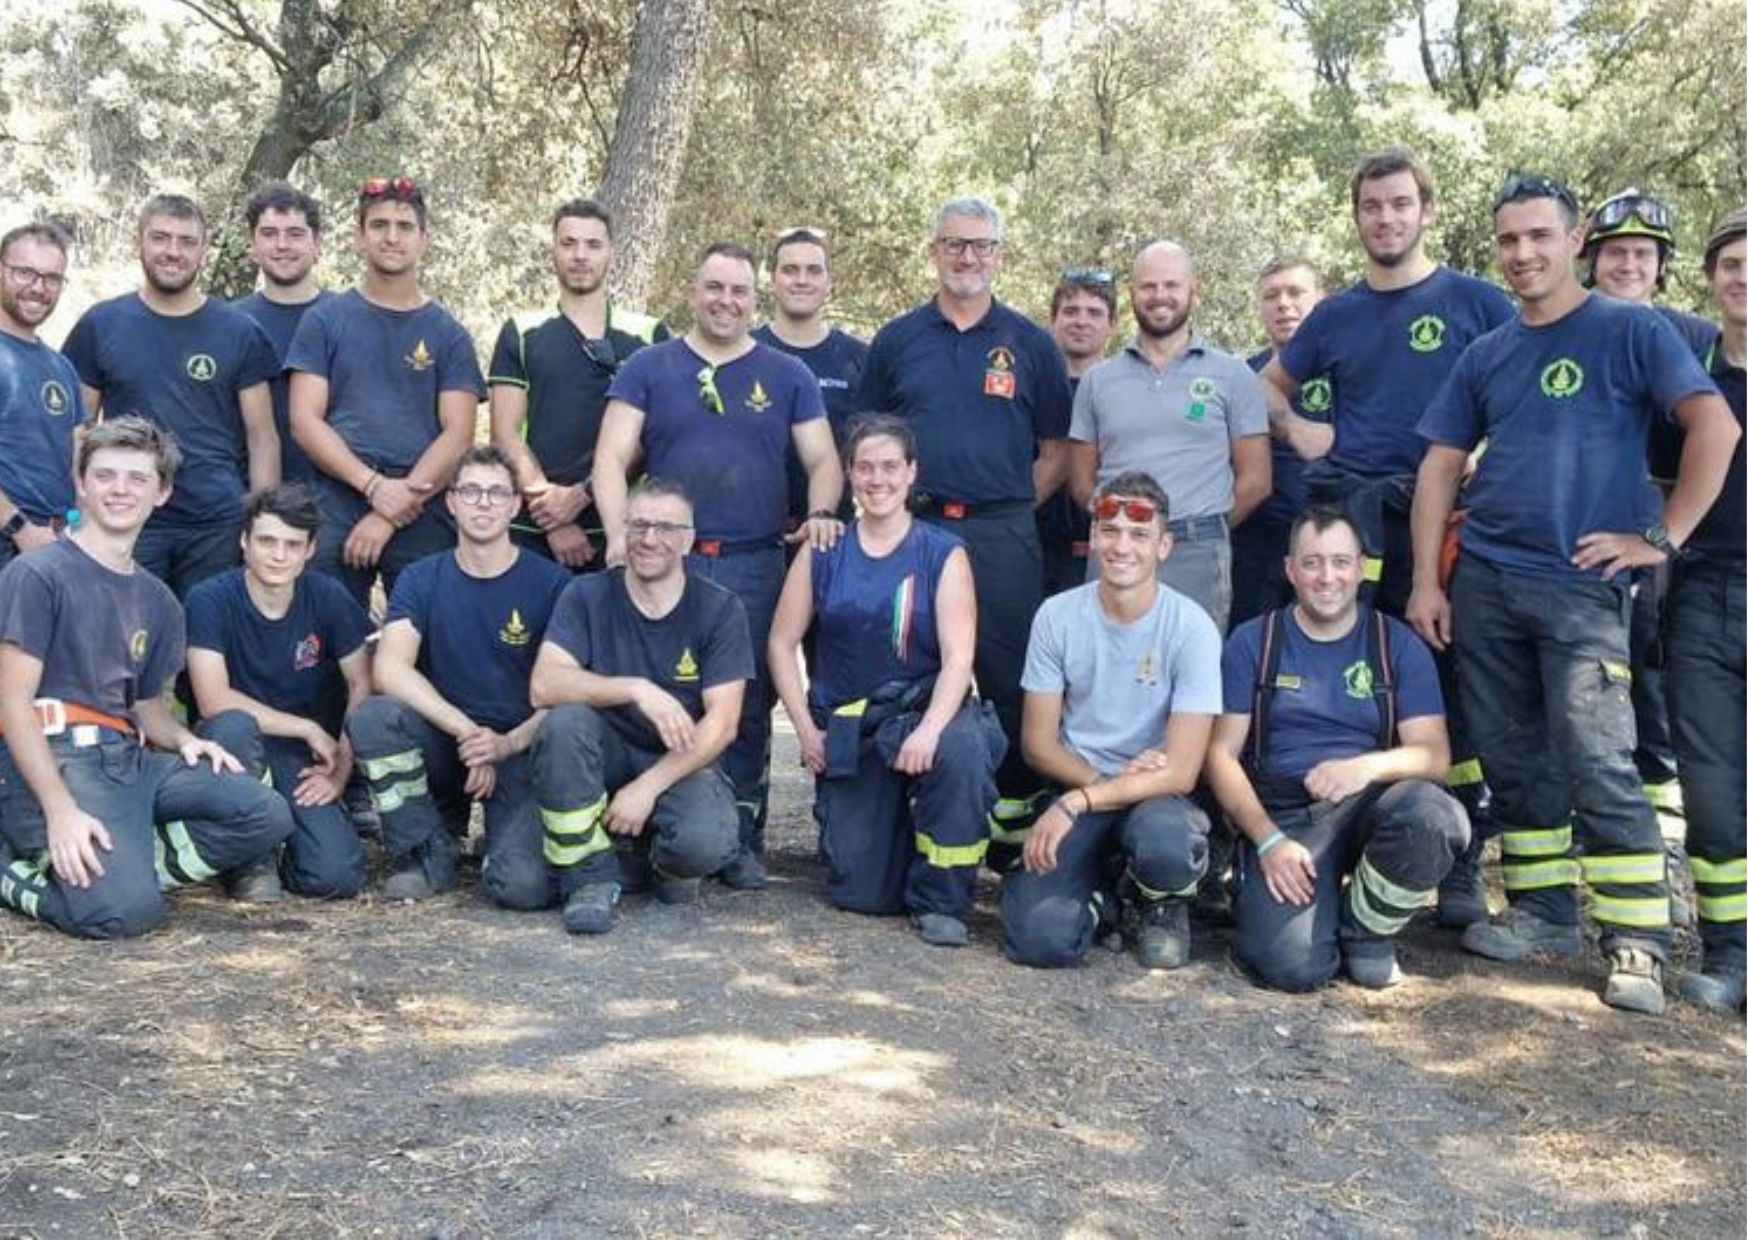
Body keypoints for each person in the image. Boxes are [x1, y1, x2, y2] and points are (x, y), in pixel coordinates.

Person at [1409, 173, 1739, 1015]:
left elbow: (1716, 426)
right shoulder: (1487, 353)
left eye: (1539, 237)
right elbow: (1441, 465)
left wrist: (1660, 537)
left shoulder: (1629, 330)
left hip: (1585, 586)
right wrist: (1425, 581)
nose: (1523, 254)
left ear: (1571, 241)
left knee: (1599, 754)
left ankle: (1638, 939)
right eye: (1509, 240)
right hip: (1484, 579)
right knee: (1514, 755)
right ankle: (1545, 914)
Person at [1259, 147, 1515, 925]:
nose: (1386, 218)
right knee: (1350, 666)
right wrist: (1303, 433)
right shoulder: (1334, 315)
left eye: (1400, 204)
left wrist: (1487, 457)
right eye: (1372, 206)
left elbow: (1523, 389)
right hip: (1357, 520)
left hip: (1447, 528)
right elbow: (1271, 384)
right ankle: (1335, 838)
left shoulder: (1480, 304)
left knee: (1455, 685)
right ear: (1357, 216)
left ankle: (1460, 860)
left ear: (1427, 210)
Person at [593, 241, 843, 890]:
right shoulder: (649, 366)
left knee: (746, 704)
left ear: (754, 302)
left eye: (738, 291)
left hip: (752, 563)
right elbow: (610, 458)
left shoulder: (788, 375)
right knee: (648, 690)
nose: (725, 301)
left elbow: (823, 461)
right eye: (714, 287)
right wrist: (621, 532)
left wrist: (819, 514)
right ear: (692, 290)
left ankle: (739, 839)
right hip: (660, 559)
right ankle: (641, 826)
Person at [0, 417, 293, 939]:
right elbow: (11, 703)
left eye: (137, 479)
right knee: (122, 915)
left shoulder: (158, 600)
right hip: (58, 759)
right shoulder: (38, 574)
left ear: (162, 493)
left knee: (265, 813)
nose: (120, 490)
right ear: (81, 485)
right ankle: (19, 865)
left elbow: (146, 707)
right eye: (106, 475)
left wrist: (184, 741)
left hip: (129, 761)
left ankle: (122, 862)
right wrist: (61, 810)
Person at [857, 197, 1074, 851]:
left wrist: (1005, 506)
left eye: (982, 246)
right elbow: (865, 434)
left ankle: (1011, 834)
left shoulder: (1030, 344)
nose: (968, 257)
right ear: (934, 251)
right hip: (913, 534)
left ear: (999, 255)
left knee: (1010, 680)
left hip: (1003, 534)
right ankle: (890, 824)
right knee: (901, 674)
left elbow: (1058, 450)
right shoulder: (897, 340)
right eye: (955, 244)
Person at [1208, 506, 1469, 991]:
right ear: (1290, 571)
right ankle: (1269, 893)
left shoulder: (1396, 646)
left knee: (1435, 816)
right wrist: (1267, 841)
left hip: (1371, 807)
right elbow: (1220, 756)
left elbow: (1434, 755)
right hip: (1289, 817)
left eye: (1340, 562)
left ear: (1359, 569)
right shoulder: (1253, 643)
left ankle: (1366, 931)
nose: (1327, 577)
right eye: (1312, 563)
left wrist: (1364, 768)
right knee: (1292, 969)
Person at [770, 415, 1002, 946]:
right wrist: (807, 731)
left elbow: (958, 657)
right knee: (864, 896)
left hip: (924, 713)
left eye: (890, 467)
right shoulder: (823, 550)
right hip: (854, 729)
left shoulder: (942, 552)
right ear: (849, 475)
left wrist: (930, 731)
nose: (878, 480)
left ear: (911, 472)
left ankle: (944, 899)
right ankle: (890, 847)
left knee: (960, 750)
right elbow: (781, 644)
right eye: (866, 468)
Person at [1001, 470, 1221, 970]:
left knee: (1166, 839)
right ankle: (1106, 897)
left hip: (1158, 795)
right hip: (1089, 783)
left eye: (1140, 534)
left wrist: (1083, 798)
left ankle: (1162, 906)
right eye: (1111, 531)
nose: (1123, 546)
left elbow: (1183, 771)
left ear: (1163, 545)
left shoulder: (1192, 628)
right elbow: (1039, 744)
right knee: (1039, 942)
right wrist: (1100, 789)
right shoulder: (1056, 616)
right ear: (1094, 537)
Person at [346, 447, 571, 904]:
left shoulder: (553, 585)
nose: (483, 503)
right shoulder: (420, 577)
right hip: (448, 745)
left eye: (496, 493)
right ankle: (425, 850)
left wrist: (504, 744)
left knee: (521, 888)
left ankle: (504, 847)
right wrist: (467, 733)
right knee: (374, 717)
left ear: (515, 505)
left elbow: (570, 694)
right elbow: (389, 667)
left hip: (521, 748)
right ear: (450, 502)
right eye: (471, 491)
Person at [527, 478, 748, 934]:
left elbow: (723, 725)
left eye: (666, 528)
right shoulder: (585, 595)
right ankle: (588, 877)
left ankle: (660, 864)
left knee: (703, 843)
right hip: (599, 758)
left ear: (688, 539)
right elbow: (544, 685)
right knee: (564, 723)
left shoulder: (720, 609)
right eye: (640, 525)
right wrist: (635, 688)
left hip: (678, 766)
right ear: (623, 529)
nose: (650, 539)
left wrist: (646, 788)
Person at [1583, 188, 1717, 842]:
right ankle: (1596, 814)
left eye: (1642, 253)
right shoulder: (1570, 334)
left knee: (1652, 665)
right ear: (1592, 260)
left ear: (1661, 264)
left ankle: (1660, 815)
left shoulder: (1696, 339)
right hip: (1579, 531)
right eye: (1616, 253)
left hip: (1663, 536)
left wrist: (1667, 535)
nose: (1629, 264)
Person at [63, 193, 281, 597]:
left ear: (202, 250)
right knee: (122, 643)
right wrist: (79, 511)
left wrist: (261, 518)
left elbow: (262, 437)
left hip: (216, 522)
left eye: (186, 241)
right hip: (126, 517)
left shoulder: (238, 331)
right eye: (161, 238)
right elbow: (78, 427)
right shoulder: (101, 324)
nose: (173, 252)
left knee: (202, 645)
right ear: (139, 243)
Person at [288, 177, 487, 610]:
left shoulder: (448, 334)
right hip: (338, 496)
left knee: (430, 636)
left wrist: (393, 506)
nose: (391, 237)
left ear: (424, 240)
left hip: (424, 502)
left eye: (404, 226)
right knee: (325, 638)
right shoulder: (324, 321)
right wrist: (373, 487)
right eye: (379, 225)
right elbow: (304, 421)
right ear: (359, 236)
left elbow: (459, 434)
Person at [1068, 239, 1270, 632]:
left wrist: (1202, 524)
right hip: (1116, 547)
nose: (1160, 296)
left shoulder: (1233, 375)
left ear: (1194, 292)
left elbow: (1257, 479)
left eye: (1172, 285)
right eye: (1148, 286)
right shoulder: (1098, 381)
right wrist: (1126, 526)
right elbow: (1080, 481)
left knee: (1191, 673)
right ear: (1132, 294)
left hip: (1197, 549)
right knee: (1105, 666)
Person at [185, 484, 373, 900]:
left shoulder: (328, 597)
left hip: (296, 757)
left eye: (292, 544)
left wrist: (340, 769)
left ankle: (294, 842)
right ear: (244, 541)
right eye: (267, 541)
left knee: (335, 876)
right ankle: (250, 860)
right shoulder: (209, 599)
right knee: (230, 724)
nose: (278, 555)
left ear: (310, 550)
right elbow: (212, 699)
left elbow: (362, 684)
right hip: (231, 749)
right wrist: (306, 727)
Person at [1663, 207, 1746, 1011]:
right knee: (1713, 788)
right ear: (1712, 280)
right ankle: (1730, 953)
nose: (1743, 278)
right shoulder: (1686, 376)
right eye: (1730, 265)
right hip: (1704, 596)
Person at [488, 198, 669, 570]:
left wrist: (582, 496)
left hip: (624, 531)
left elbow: (656, 433)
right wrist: (552, 516)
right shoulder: (521, 331)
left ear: (611, 253)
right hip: (534, 532)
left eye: (593, 245)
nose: (580, 255)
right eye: (568, 243)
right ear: (553, 250)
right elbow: (505, 433)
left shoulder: (649, 335)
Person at [1230, 257, 1327, 627]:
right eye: (1272, 295)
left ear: (1322, 299)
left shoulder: (1345, 369)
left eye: (1295, 292)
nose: (1283, 303)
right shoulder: (1237, 376)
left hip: (1330, 546)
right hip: (1255, 549)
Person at [751, 227, 870, 527]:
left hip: (829, 529)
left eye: (813, 271)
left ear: (829, 283)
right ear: (772, 281)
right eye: (790, 270)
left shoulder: (860, 359)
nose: (802, 280)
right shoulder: (743, 352)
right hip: (749, 538)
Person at [0, 222, 87, 572]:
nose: (38, 288)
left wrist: (77, 525)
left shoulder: (61, 367)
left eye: (52, 279)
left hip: (52, 546)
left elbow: (78, 456)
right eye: (25, 273)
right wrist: (19, 528)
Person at [233, 182, 329, 485]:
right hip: (249, 499)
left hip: (337, 502)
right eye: (269, 234)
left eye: (295, 234)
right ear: (252, 245)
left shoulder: (349, 318)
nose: (282, 245)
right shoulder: (227, 323)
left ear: (317, 245)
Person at [1039, 268, 1119, 596]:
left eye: (1094, 313)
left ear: (1112, 324)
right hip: (1033, 547)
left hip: (1102, 552)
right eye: (1070, 312)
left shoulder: (1125, 390)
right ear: (1053, 320)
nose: (1081, 321)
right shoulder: (1031, 387)